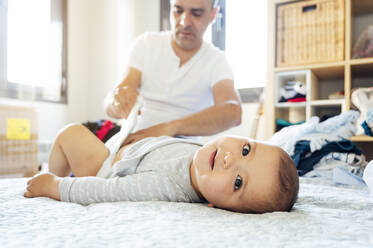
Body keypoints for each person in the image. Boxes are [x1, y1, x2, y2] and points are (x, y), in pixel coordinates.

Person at [24, 124, 299, 214]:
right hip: (126, 148)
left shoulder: (168, 186)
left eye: (238, 182)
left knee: (70, 134)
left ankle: (48, 176)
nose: (231, 160)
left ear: (216, 206)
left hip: (106, 167)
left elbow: (107, 190)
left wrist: (57, 187)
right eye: (246, 150)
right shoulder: (206, 155)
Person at [104, 0, 242, 146]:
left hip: (181, 147)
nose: (184, 22)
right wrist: (116, 103)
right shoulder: (147, 44)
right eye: (178, 11)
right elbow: (112, 101)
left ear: (212, 15)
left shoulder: (217, 61)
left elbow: (233, 112)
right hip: (136, 141)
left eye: (196, 13)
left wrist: (169, 128)